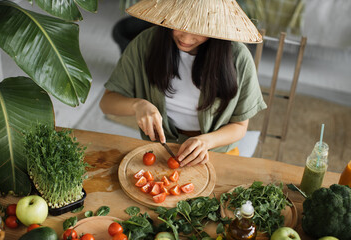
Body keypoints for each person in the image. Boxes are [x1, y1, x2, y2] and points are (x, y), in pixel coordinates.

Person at [100, 0, 267, 167]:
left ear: (215, 24)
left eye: (199, 29)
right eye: (179, 24)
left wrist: (206, 142)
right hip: (160, 150)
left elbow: (239, 125)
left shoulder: (238, 58)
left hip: (216, 152)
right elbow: (107, 103)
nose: (186, 38)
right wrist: (138, 105)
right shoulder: (145, 44)